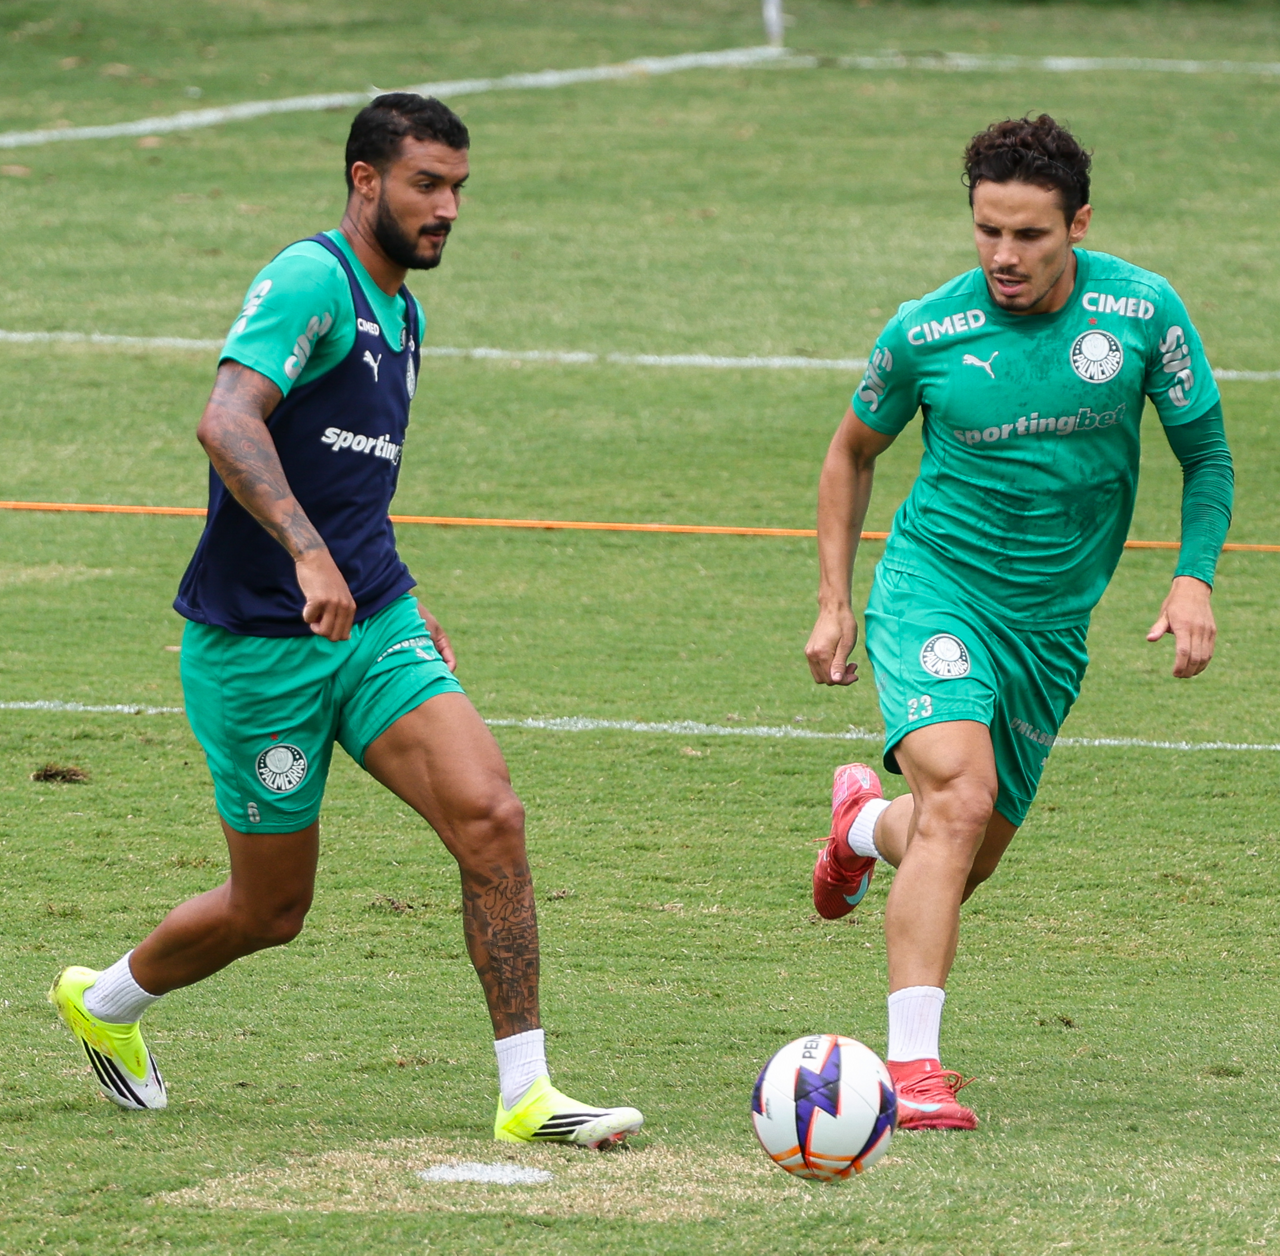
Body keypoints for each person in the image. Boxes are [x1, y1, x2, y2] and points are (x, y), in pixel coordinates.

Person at [49, 93, 643, 1149]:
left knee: (491, 817)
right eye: (426, 184)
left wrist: (396, 588)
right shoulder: (310, 279)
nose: (447, 207)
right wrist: (306, 552)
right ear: (365, 180)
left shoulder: (405, 315)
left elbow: (355, 485)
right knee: (269, 910)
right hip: (257, 650)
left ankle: (527, 1094)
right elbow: (226, 419)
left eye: (458, 187)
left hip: (372, 625)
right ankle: (106, 1003)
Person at [805, 115, 1233, 1130]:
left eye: (1029, 234)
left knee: (961, 850)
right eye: (987, 230)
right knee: (959, 797)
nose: (1003, 254)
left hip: (1049, 627)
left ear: (1076, 224)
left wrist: (1192, 578)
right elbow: (850, 452)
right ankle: (912, 1070)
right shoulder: (925, 332)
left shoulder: (1143, 313)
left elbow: (1206, 456)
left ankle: (861, 826)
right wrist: (833, 598)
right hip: (935, 589)